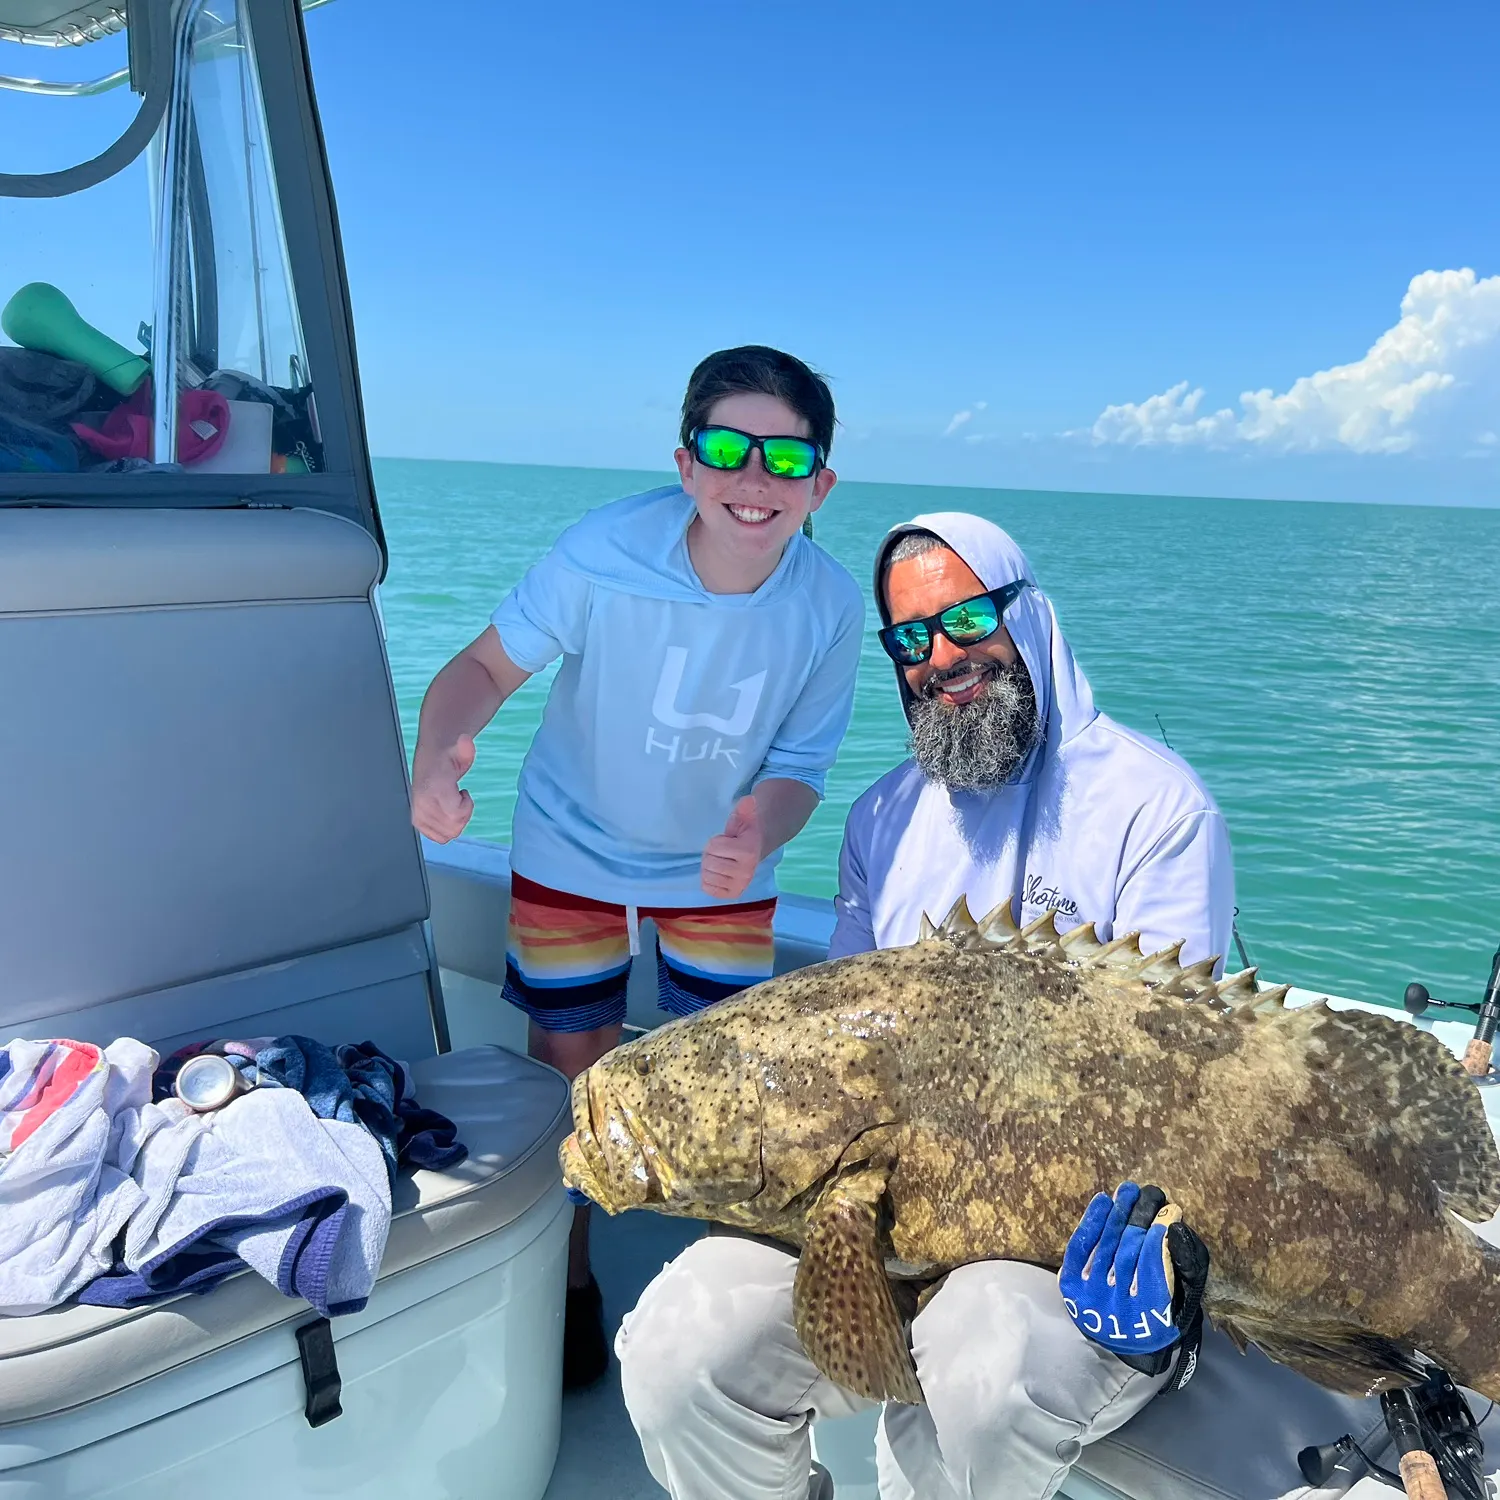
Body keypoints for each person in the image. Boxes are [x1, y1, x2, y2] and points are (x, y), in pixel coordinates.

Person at [615, 513, 1235, 1499]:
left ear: (1029, 615)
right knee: (675, 1357)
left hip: (1057, 1246)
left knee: (972, 1384)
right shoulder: (881, 819)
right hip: (880, 1221)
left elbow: (1177, 1084)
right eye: (910, 638)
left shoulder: (1158, 812)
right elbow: (836, 1071)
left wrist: (1166, 1264)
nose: (941, 658)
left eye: (967, 620)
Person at [409, 347, 865, 1389]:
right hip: (571, 846)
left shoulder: (831, 604)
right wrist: (436, 755)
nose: (754, 479)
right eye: (727, 449)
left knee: (729, 1090)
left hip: (722, 875)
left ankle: (721, 1310)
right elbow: (482, 668)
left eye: (787, 458)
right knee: (574, 1070)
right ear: (685, 462)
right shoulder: (604, 550)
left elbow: (801, 770)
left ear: (821, 485)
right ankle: (568, 1281)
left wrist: (759, 830)